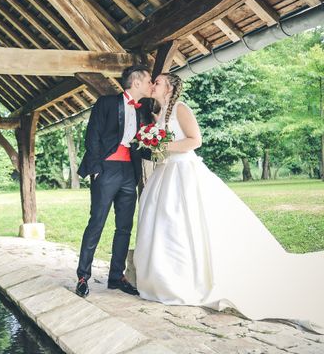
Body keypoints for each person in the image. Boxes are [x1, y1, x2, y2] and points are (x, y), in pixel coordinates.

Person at [134, 72, 324, 333]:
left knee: (185, 224)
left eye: (157, 82)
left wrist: (164, 146)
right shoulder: (161, 111)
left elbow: (195, 140)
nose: (153, 85)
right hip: (165, 175)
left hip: (184, 173)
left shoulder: (180, 108)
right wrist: (156, 145)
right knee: (165, 227)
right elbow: (165, 144)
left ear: (169, 86)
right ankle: (164, 280)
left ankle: (188, 281)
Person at [75, 65, 153, 298]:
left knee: (124, 227)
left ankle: (116, 277)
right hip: (106, 169)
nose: (151, 84)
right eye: (149, 80)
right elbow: (93, 135)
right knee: (96, 223)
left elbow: (144, 142)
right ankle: (82, 276)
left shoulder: (144, 110)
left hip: (129, 171)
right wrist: (96, 169)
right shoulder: (106, 103)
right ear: (136, 82)